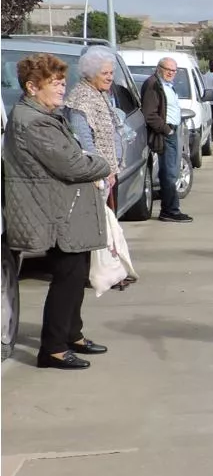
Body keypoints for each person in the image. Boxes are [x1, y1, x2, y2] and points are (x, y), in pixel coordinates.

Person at [2, 53, 113, 370]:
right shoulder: (34, 121)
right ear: (32, 87)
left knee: (76, 273)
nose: (62, 88)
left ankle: (71, 335)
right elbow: (73, 163)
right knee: (68, 276)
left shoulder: (43, 116)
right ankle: (52, 348)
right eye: (55, 83)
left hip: (64, 209)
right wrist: (101, 164)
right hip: (53, 212)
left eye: (64, 82)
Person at [63, 46, 136, 292]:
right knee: (95, 226)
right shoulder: (81, 100)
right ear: (90, 74)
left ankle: (108, 270)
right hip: (95, 176)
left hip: (106, 172)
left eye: (111, 72)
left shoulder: (98, 94)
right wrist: (101, 173)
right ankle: (96, 273)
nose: (110, 77)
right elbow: (85, 142)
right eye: (105, 72)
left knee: (104, 224)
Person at [141, 57, 193, 223]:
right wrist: (167, 130)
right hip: (165, 133)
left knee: (172, 171)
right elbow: (149, 114)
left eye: (174, 70)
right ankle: (170, 211)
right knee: (169, 174)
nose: (171, 73)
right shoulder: (153, 84)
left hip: (172, 131)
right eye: (168, 69)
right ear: (159, 68)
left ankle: (170, 208)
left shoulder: (166, 85)